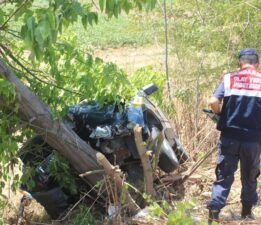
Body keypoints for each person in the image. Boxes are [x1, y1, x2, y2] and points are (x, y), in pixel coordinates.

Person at [207, 48, 261, 224]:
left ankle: (214, 214)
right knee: (250, 175)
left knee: (224, 175)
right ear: (257, 64)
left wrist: (221, 114)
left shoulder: (229, 78)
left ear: (240, 63)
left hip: (229, 137)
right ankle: (246, 213)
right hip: (254, 140)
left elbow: (213, 101)